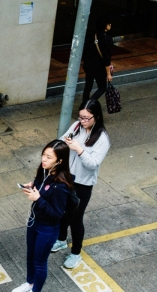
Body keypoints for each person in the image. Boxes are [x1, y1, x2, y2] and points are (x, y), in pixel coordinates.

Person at [12, 140, 73, 292]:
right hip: (34, 222)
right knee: (30, 256)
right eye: (43, 155)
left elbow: (57, 214)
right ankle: (30, 283)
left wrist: (38, 199)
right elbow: (40, 185)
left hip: (47, 228)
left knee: (39, 261)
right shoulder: (44, 172)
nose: (43, 159)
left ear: (59, 161)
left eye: (48, 157)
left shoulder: (61, 185)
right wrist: (32, 186)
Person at [51, 99, 111, 268]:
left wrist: (79, 149)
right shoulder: (77, 126)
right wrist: (63, 144)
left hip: (83, 184)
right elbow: (63, 139)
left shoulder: (102, 139)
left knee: (76, 218)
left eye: (87, 118)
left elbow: (93, 164)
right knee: (62, 212)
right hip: (66, 177)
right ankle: (61, 239)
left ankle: (76, 253)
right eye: (81, 117)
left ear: (96, 117)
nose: (83, 121)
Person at [82, 15, 113, 103]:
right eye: (109, 24)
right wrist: (108, 74)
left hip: (89, 66)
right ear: (106, 26)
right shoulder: (108, 39)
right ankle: (90, 104)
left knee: (87, 87)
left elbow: (85, 52)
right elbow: (106, 58)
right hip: (99, 68)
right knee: (102, 87)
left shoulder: (91, 36)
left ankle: (84, 105)